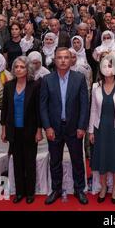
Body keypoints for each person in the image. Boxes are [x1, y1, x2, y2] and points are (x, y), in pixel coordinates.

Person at [40, 47, 89, 205]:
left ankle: (79, 189)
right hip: (54, 128)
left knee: (77, 160)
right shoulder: (47, 79)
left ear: (71, 60)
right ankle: (56, 189)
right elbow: (43, 106)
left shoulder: (79, 78)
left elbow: (84, 105)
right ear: (54, 60)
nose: (62, 60)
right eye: (59, 57)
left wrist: (82, 126)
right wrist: (47, 127)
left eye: (66, 57)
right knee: (55, 161)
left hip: (74, 128)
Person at [89, 53, 115, 204]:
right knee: (101, 160)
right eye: (105, 65)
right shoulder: (95, 87)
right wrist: (91, 131)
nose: (108, 68)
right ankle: (102, 188)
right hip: (100, 128)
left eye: (111, 65)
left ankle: (114, 188)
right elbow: (93, 110)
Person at [1, 56, 43, 204]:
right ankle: (19, 192)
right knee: (17, 163)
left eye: (22, 67)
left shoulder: (35, 85)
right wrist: (4, 129)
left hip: (30, 130)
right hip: (14, 130)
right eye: (16, 67)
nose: (18, 69)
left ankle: (30, 192)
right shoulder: (9, 86)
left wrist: (39, 130)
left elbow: (39, 110)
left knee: (30, 162)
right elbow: (5, 109)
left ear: (28, 69)